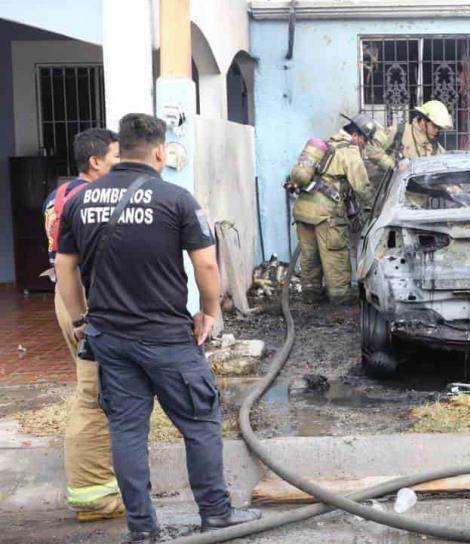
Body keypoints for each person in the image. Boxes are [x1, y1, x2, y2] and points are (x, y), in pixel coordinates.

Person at [55, 113, 260, 543]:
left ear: (120, 149)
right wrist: (208, 312)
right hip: (167, 338)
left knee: (128, 432)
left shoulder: (78, 201)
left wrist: (79, 319)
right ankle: (216, 515)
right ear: (160, 151)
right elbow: (205, 262)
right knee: (199, 424)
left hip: (109, 339)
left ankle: (143, 530)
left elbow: (66, 267)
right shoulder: (176, 199)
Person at [42, 128, 122, 521]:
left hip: (68, 296)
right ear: (95, 162)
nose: (120, 164)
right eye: (115, 157)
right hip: (87, 299)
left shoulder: (58, 195)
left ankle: (105, 483)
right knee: (94, 395)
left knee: (99, 389)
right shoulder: (90, 200)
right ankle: (96, 498)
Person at [292, 112, 377, 304]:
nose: (365, 144)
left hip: (303, 209)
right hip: (326, 214)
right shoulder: (349, 152)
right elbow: (362, 186)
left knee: (309, 255)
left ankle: (311, 296)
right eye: (364, 140)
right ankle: (340, 299)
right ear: (356, 135)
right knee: (335, 253)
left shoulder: (327, 146)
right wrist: (375, 207)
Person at [385, 100, 453, 159]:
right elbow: (375, 147)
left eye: (439, 127)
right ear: (423, 122)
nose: (437, 130)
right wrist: (394, 166)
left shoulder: (435, 146)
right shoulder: (399, 132)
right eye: (435, 126)